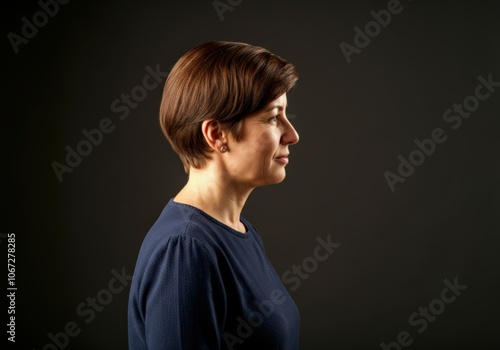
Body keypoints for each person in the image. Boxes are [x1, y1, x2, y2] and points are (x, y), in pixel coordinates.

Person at [128, 41, 300, 349]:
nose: (292, 135)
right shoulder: (185, 250)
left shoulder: (239, 231)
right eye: (274, 117)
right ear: (217, 134)